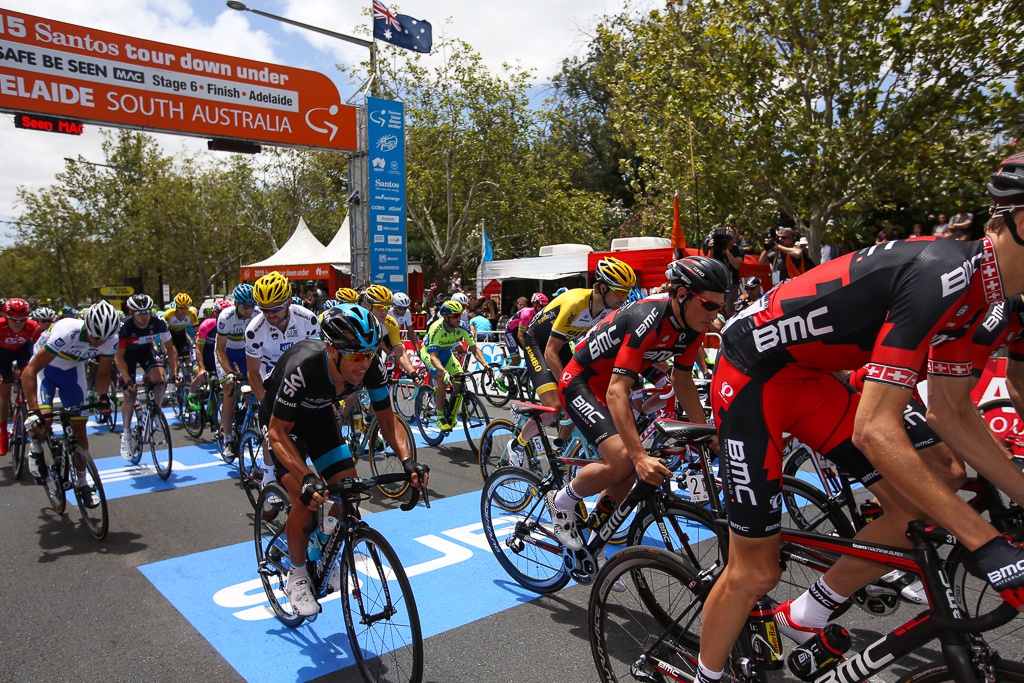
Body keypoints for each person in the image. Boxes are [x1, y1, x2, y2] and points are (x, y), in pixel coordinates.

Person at [691, 152, 1024, 683]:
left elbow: (951, 412)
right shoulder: (946, 272)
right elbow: (875, 430)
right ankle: (703, 675)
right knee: (755, 569)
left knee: (940, 479)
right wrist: (983, 540)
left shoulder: (989, 294)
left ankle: (807, 615)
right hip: (753, 373)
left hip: (810, 378)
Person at [547, 257, 725, 558]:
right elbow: (618, 391)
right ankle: (560, 500)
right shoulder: (649, 315)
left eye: (720, 306)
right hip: (581, 382)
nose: (715, 316)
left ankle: (594, 545)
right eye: (709, 305)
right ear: (681, 295)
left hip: (610, 387)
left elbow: (681, 379)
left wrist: (708, 433)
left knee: (627, 475)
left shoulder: (693, 324)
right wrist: (639, 456)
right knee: (624, 459)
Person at [263, 305, 428, 617]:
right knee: (305, 497)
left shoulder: (372, 365)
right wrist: (307, 477)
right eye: (355, 355)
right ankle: (296, 577)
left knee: (349, 489)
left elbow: (388, 421)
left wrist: (408, 460)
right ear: (331, 349)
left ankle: (324, 540)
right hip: (283, 425)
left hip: (319, 418)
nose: (364, 363)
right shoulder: (304, 366)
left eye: (369, 353)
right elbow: (277, 433)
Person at [508, 258, 636, 463]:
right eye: (620, 292)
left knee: (588, 395)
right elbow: (550, 351)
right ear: (603, 288)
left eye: (627, 292)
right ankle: (517, 444)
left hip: (563, 343)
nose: (624, 298)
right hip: (539, 343)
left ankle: (561, 442)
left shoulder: (609, 310)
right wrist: (566, 385)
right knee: (555, 407)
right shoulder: (576, 303)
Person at [22, 302, 119, 491]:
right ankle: (35, 447)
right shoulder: (67, 332)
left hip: (73, 372)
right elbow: (30, 371)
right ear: (87, 325)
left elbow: (103, 373)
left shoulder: (111, 339)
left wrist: (103, 396)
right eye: (96, 336)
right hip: (46, 371)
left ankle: (82, 482)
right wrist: (34, 410)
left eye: (104, 338)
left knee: (80, 431)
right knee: (45, 420)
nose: (99, 342)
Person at [116, 294, 177, 460]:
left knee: (160, 381)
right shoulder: (124, 327)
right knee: (130, 394)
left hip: (145, 352)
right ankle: (127, 434)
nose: (144, 317)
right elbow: (118, 356)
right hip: (127, 356)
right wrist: (127, 379)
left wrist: (175, 373)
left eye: (147, 312)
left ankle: (156, 412)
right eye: (140, 313)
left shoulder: (159, 322)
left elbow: (170, 349)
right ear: (130, 312)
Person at [419, 300, 494, 428]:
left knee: (460, 377)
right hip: (430, 354)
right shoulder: (436, 328)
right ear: (445, 317)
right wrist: (444, 372)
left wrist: (486, 365)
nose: (458, 318)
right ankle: (440, 415)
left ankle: (451, 410)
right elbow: (433, 357)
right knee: (441, 377)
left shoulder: (462, 326)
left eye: (459, 315)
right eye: (454, 316)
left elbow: (474, 348)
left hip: (446, 353)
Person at [215, 284, 257, 455]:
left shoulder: (257, 314)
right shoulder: (226, 317)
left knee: (254, 387)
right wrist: (231, 373)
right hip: (227, 353)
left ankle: (248, 416)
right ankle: (228, 438)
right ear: (236, 304)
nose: (248, 310)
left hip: (245, 351)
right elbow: (220, 350)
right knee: (230, 391)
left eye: (251, 306)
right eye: (244, 306)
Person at [0, 299, 41, 456]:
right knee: (3, 395)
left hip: (23, 352)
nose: (18, 324)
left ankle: (31, 412)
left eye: (22, 320)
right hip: (2, 355)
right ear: (5, 316)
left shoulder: (33, 327)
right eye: (14, 320)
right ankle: (3, 432)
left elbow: (40, 348)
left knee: (29, 375)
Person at [190, 299, 232, 409]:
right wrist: (202, 368)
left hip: (216, 353)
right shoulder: (207, 325)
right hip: (201, 351)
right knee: (200, 375)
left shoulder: (231, 325)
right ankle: (192, 394)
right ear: (215, 314)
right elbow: (199, 349)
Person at [702, 227, 743, 316]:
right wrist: (712, 248)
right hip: (720, 282)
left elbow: (736, 264)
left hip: (732, 283)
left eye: (730, 236)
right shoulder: (717, 248)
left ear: (735, 237)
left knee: (729, 310)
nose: (729, 239)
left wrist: (726, 251)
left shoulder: (737, 250)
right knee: (719, 309)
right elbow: (711, 262)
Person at [162, 293, 198, 372]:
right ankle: (174, 375)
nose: (184, 310)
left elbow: (197, 332)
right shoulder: (168, 315)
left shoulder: (192, 314)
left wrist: (197, 343)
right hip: (170, 335)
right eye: (181, 308)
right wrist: (165, 350)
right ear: (177, 307)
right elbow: (162, 334)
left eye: (186, 307)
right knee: (174, 354)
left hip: (181, 334)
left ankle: (188, 379)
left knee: (187, 358)